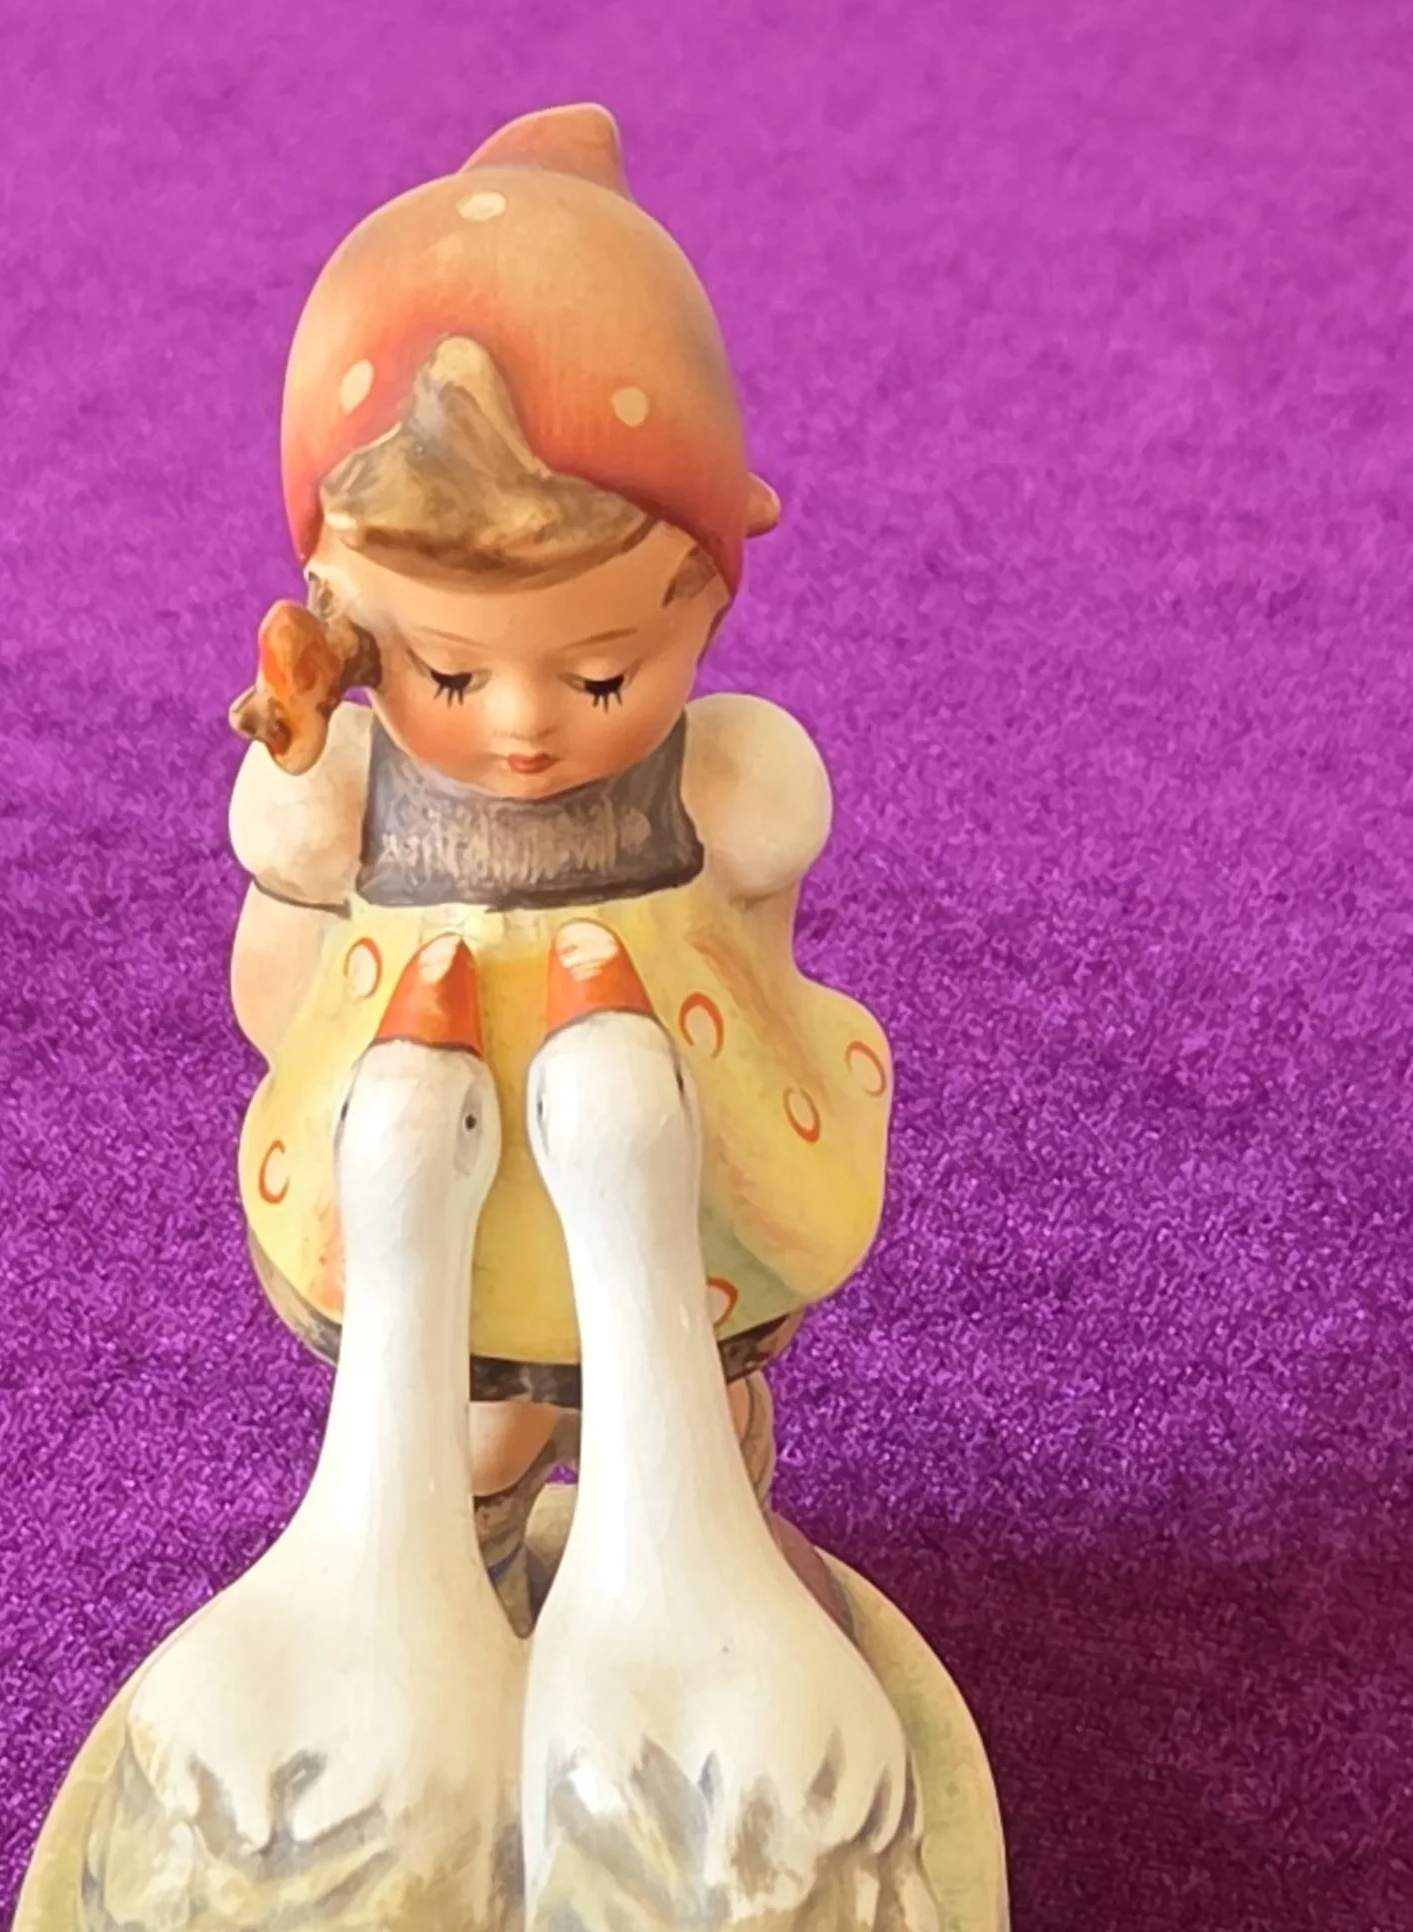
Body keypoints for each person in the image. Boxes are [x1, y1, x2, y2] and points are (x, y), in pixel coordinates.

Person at [226, 102, 895, 1621]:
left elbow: (766, 949)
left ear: (709, 592)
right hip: (452, 1196)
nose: (524, 727)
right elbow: (275, 990)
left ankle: (708, 1608)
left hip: (687, 1165)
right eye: (450, 673)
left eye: (600, 675)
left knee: (697, 1412)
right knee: (472, 1422)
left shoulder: (722, 784)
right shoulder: (349, 800)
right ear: (335, 615)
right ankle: (463, 1618)